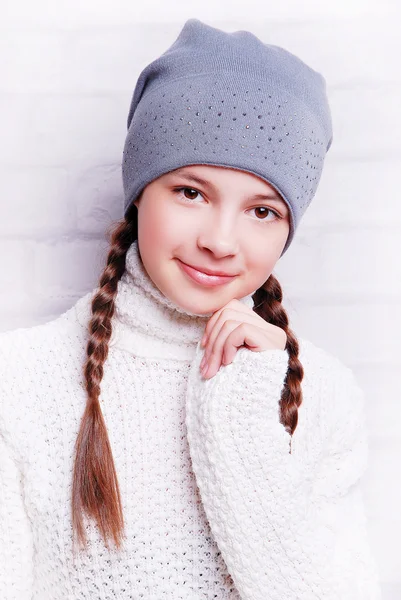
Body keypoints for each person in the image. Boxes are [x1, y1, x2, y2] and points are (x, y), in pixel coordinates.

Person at [0, 17, 382, 600]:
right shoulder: (23, 382)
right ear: (139, 193)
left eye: (262, 211)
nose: (221, 240)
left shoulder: (321, 394)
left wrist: (243, 406)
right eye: (191, 192)